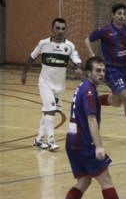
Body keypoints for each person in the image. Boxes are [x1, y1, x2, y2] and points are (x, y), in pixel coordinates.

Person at [54, 56, 126, 199]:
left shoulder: (87, 89)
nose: (101, 73)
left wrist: (117, 86)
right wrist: (99, 146)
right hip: (84, 143)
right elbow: (92, 119)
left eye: (103, 71)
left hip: (72, 142)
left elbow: (114, 102)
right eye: (98, 71)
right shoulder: (88, 92)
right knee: (105, 179)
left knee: (84, 181)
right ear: (89, 72)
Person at [84, 3, 126, 144]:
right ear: (113, 15)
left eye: (124, 14)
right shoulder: (105, 30)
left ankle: (95, 101)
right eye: (119, 13)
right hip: (111, 71)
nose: (122, 16)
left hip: (123, 70)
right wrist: (91, 54)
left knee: (116, 102)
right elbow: (87, 39)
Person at [21, 18, 82, 151]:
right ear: (52, 29)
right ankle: (51, 141)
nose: (60, 31)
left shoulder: (69, 46)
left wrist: (77, 68)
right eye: (57, 28)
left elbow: (76, 62)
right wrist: (24, 73)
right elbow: (32, 57)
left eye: (63, 28)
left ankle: (38, 140)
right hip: (45, 84)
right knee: (51, 110)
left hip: (59, 86)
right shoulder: (43, 44)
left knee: (48, 112)